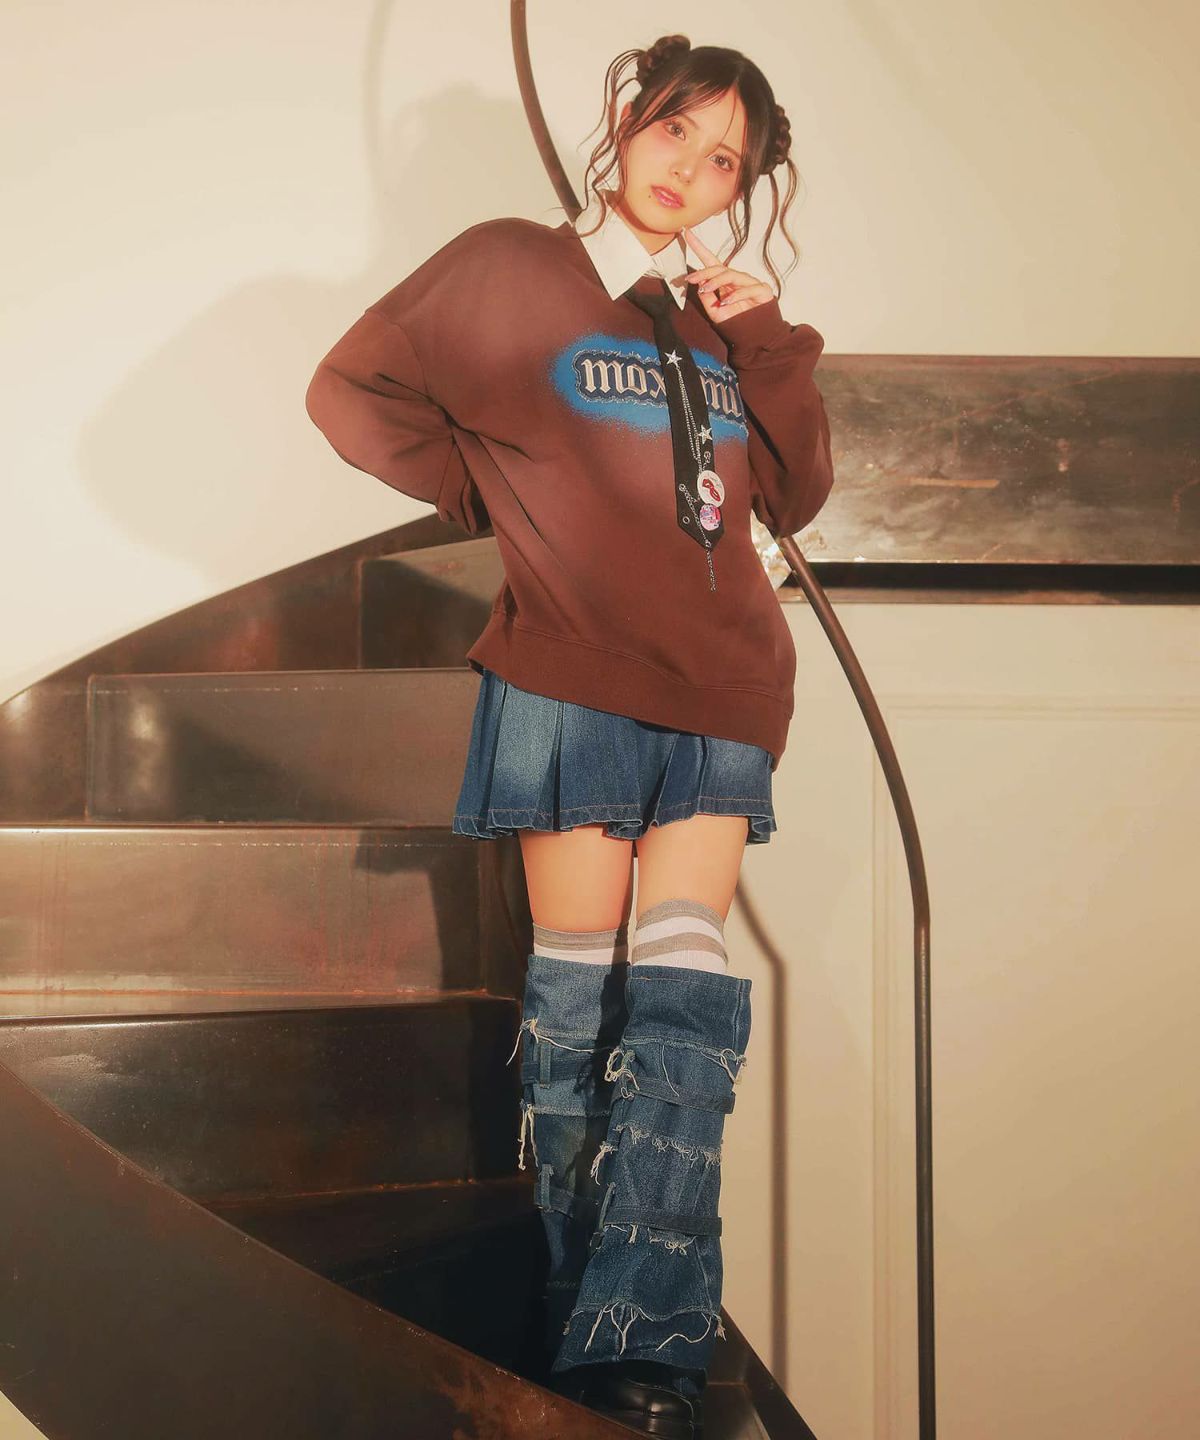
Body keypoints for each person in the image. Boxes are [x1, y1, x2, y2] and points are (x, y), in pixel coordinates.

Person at [305, 33, 835, 1439]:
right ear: (626, 119)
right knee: (574, 1011)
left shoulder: (714, 322)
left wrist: (766, 337)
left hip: (724, 687)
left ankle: (644, 1338)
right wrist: (488, 492)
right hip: (571, 683)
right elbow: (349, 389)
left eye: (724, 160)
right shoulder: (511, 270)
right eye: (677, 132)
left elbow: (796, 491)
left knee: (684, 1011)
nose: (692, 171)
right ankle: (572, 1304)